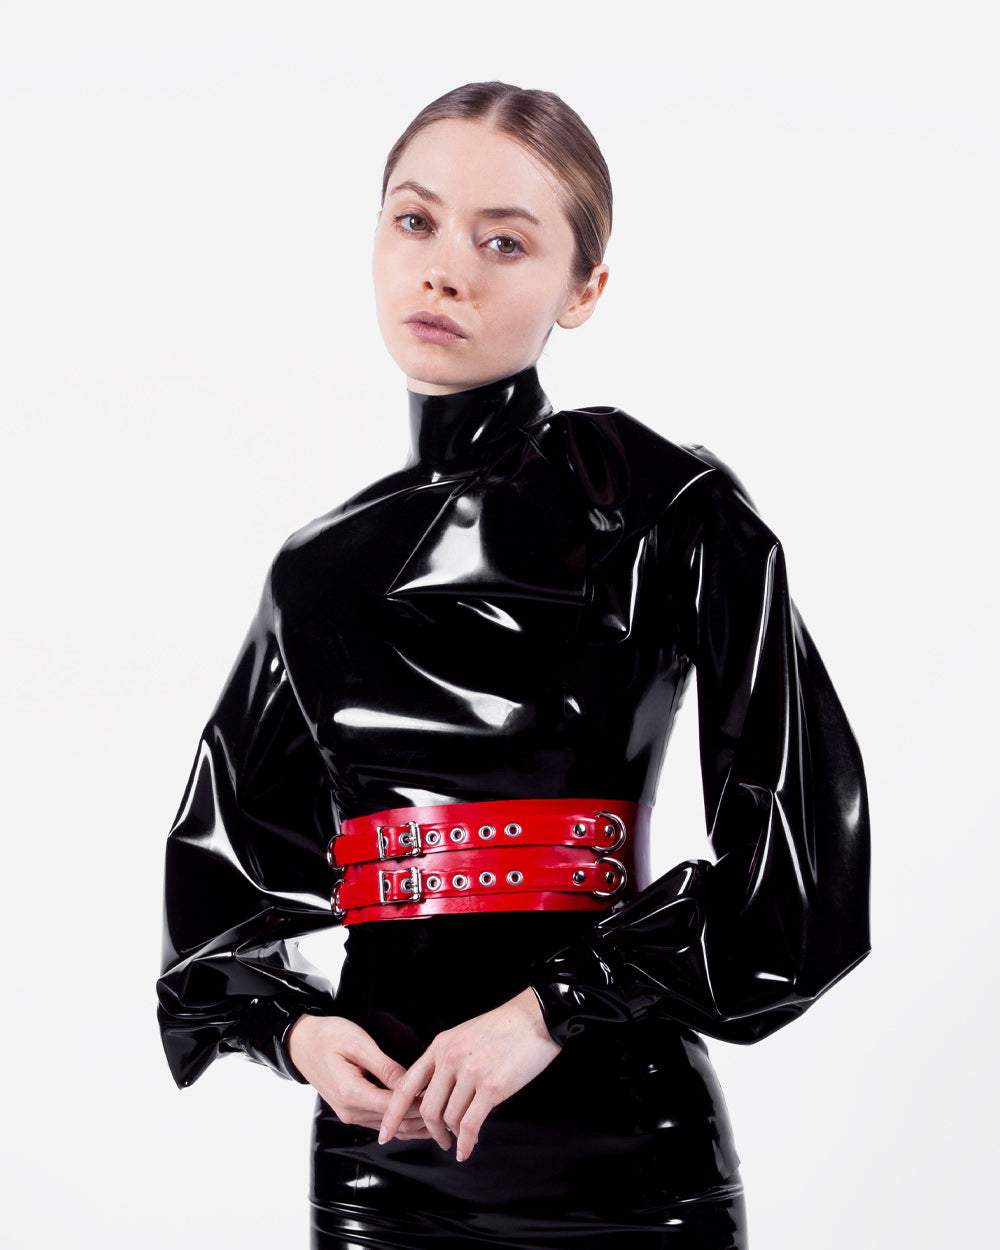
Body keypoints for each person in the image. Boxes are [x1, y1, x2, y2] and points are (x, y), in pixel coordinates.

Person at [158, 82, 870, 1249]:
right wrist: (296, 1031)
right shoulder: (316, 571)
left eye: (503, 241)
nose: (446, 270)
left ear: (583, 289)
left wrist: (550, 1008)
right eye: (415, 221)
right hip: (383, 1168)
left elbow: (804, 880)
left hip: (623, 1156)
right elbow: (216, 884)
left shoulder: (661, 505)